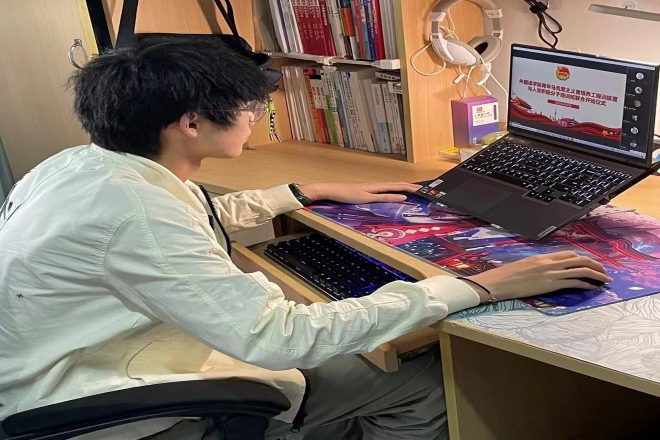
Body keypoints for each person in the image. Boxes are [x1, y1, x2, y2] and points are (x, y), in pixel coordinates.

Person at [0, 37, 612, 440]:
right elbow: (278, 338)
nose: (255, 117)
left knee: (365, 350)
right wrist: (475, 286)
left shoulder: (84, 165)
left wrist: (299, 192)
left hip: (51, 367)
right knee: (427, 378)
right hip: (100, 395)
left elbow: (184, 220)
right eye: (246, 108)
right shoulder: (137, 212)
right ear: (190, 124)